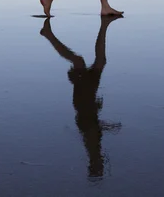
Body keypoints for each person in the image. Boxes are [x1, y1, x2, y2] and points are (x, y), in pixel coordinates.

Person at [40, 16, 123, 179]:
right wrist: (107, 127)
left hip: (85, 99)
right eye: (100, 164)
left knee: (81, 61)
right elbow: (92, 127)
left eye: (99, 164)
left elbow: (91, 128)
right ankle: (49, 35)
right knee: (94, 62)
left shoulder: (92, 146)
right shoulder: (92, 144)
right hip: (85, 99)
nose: (101, 161)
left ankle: (49, 35)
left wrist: (105, 127)